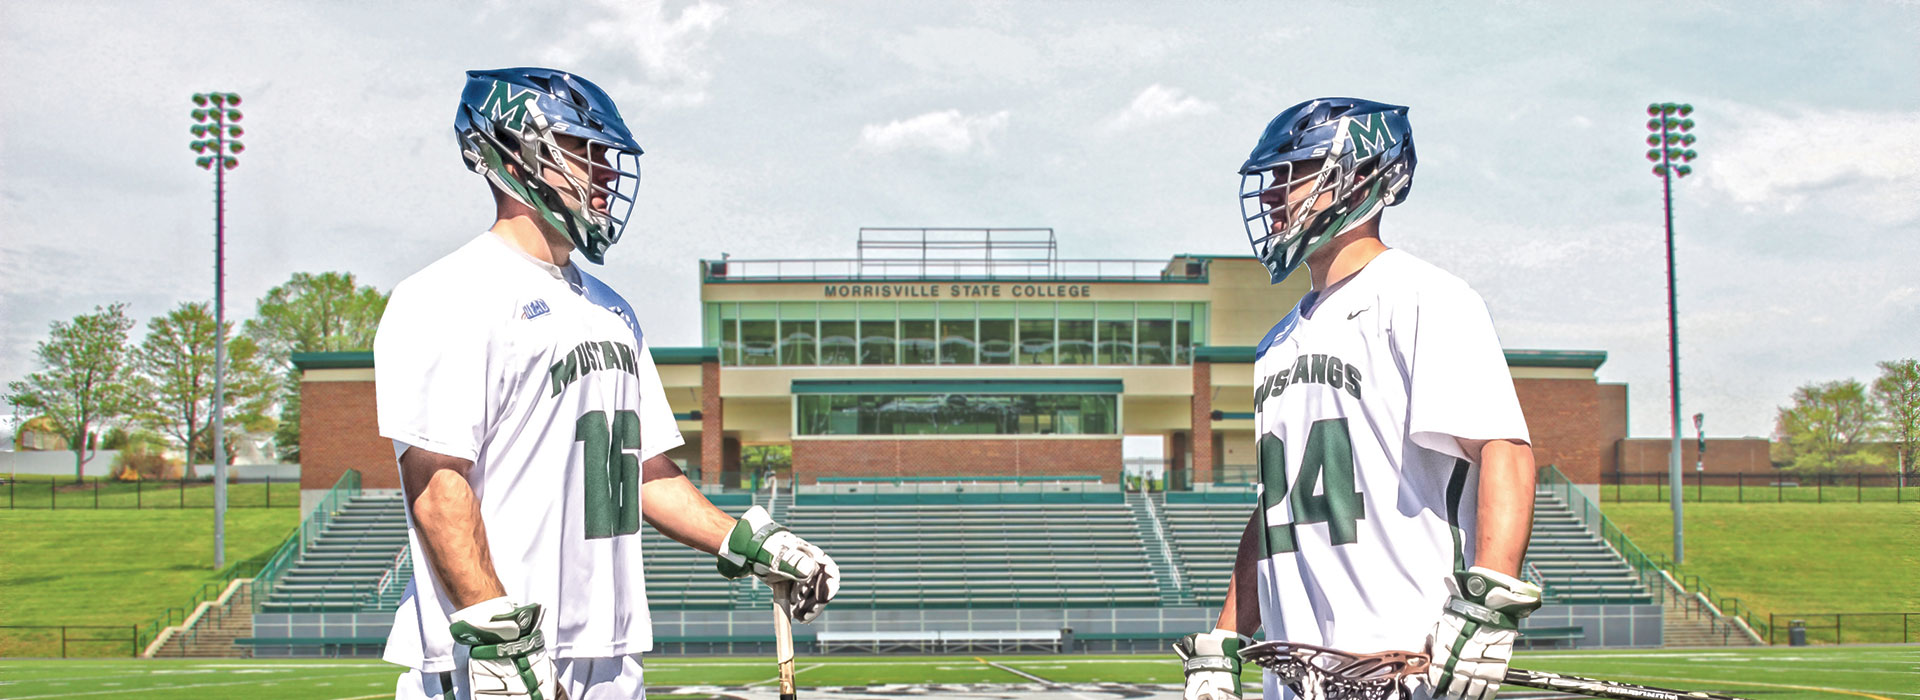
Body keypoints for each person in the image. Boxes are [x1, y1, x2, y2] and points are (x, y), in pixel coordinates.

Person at [375, 67, 840, 700]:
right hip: (496, 658)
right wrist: (497, 632)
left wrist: (747, 543)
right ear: (518, 153)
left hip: (610, 649)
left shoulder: (612, 309)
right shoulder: (446, 294)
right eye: (584, 151)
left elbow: (642, 471)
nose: (606, 174)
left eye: (605, 154)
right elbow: (437, 485)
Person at [1175, 98, 1539, 700]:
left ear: (1361, 174)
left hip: (1398, 669)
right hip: (1295, 674)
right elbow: (1277, 508)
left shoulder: (1424, 297)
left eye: (1293, 172)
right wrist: (1224, 638)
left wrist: (1488, 607)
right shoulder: (1276, 342)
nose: (1271, 195)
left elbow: (1505, 450)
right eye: (1270, 177)